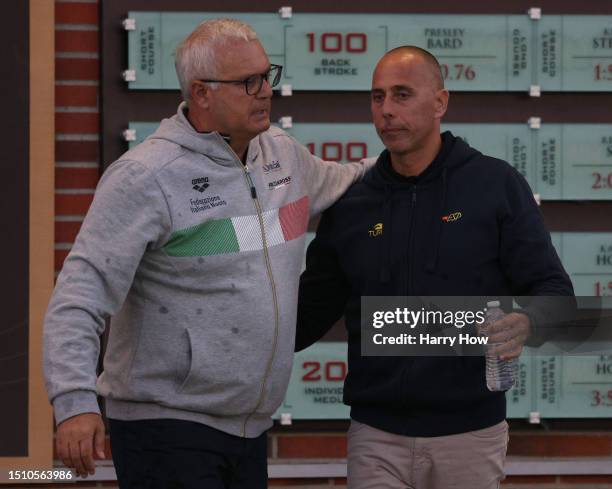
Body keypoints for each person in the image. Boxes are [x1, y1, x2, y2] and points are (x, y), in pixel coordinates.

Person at [43, 18, 372, 488]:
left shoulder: (282, 154)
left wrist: (424, 155)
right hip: (166, 428)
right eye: (247, 82)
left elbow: (353, 180)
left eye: (267, 75)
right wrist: (74, 402)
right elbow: (79, 295)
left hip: (249, 428)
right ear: (201, 93)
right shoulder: (145, 176)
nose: (265, 91)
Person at [296, 46, 575, 489]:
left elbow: (555, 290)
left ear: (440, 102)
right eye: (377, 96)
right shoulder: (352, 201)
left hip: (470, 434)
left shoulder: (495, 184)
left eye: (402, 95)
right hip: (376, 435)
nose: (386, 110)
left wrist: (530, 321)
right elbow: (306, 314)